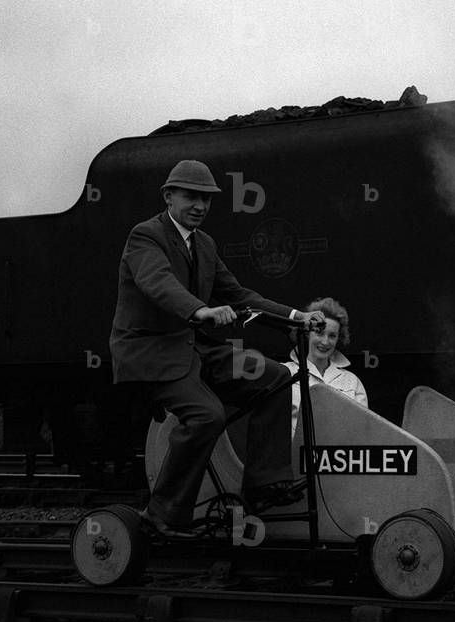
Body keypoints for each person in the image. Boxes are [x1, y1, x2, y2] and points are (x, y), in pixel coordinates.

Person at [109, 160, 324, 539]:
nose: (200, 206)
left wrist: (296, 317)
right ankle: (161, 513)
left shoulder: (204, 245)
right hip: (152, 352)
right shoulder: (145, 236)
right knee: (207, 414)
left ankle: (262, 486)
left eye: (206, 199)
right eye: (191, 197)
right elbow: (156, 281)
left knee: (275, 376)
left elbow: (240, 296)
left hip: (196, 349)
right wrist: (200, 309)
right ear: (168, 196)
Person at [284, 296, 368, 441]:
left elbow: (362, 429)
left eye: (332, 336)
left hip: (339, 460)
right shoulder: (285, 373)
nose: (325, 341)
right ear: (307, 333)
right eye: (319, 332)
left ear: (339, 339)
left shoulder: (352, 382)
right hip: (295, 459)